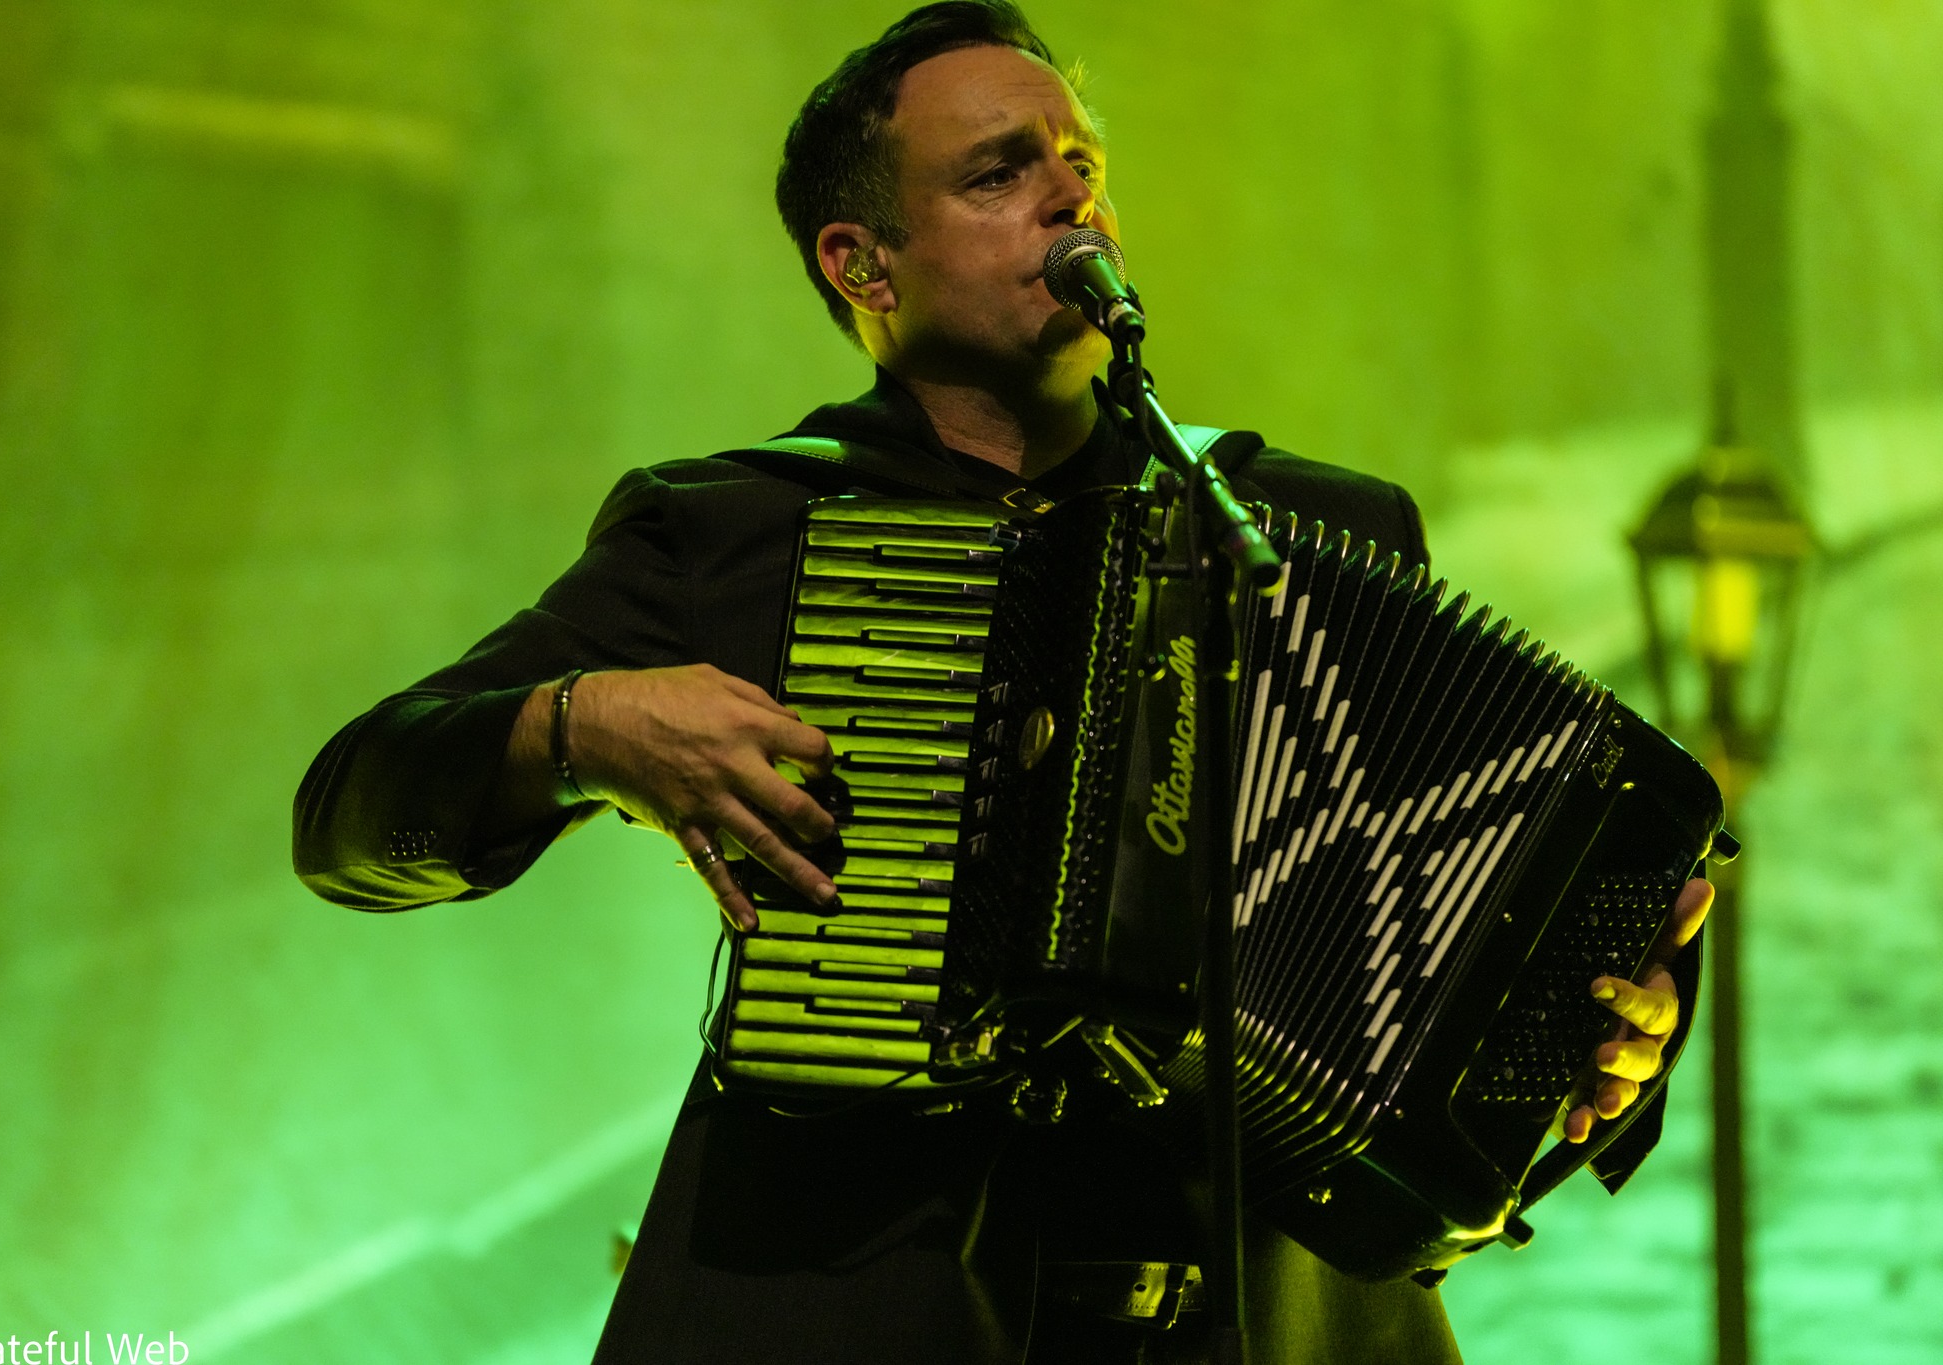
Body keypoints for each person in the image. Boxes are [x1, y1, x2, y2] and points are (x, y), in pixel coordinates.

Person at [293, 5, 1710, 1360]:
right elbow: (348, 815)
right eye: (998, 173)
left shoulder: (1299, 528)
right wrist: (579, 726)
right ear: (863, 265)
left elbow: (1469, 904)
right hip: (872, 1309)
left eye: (1081, 160)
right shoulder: (739, 530)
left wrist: (1603, 1031)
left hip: (1273, 1322)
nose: (1070, 195)